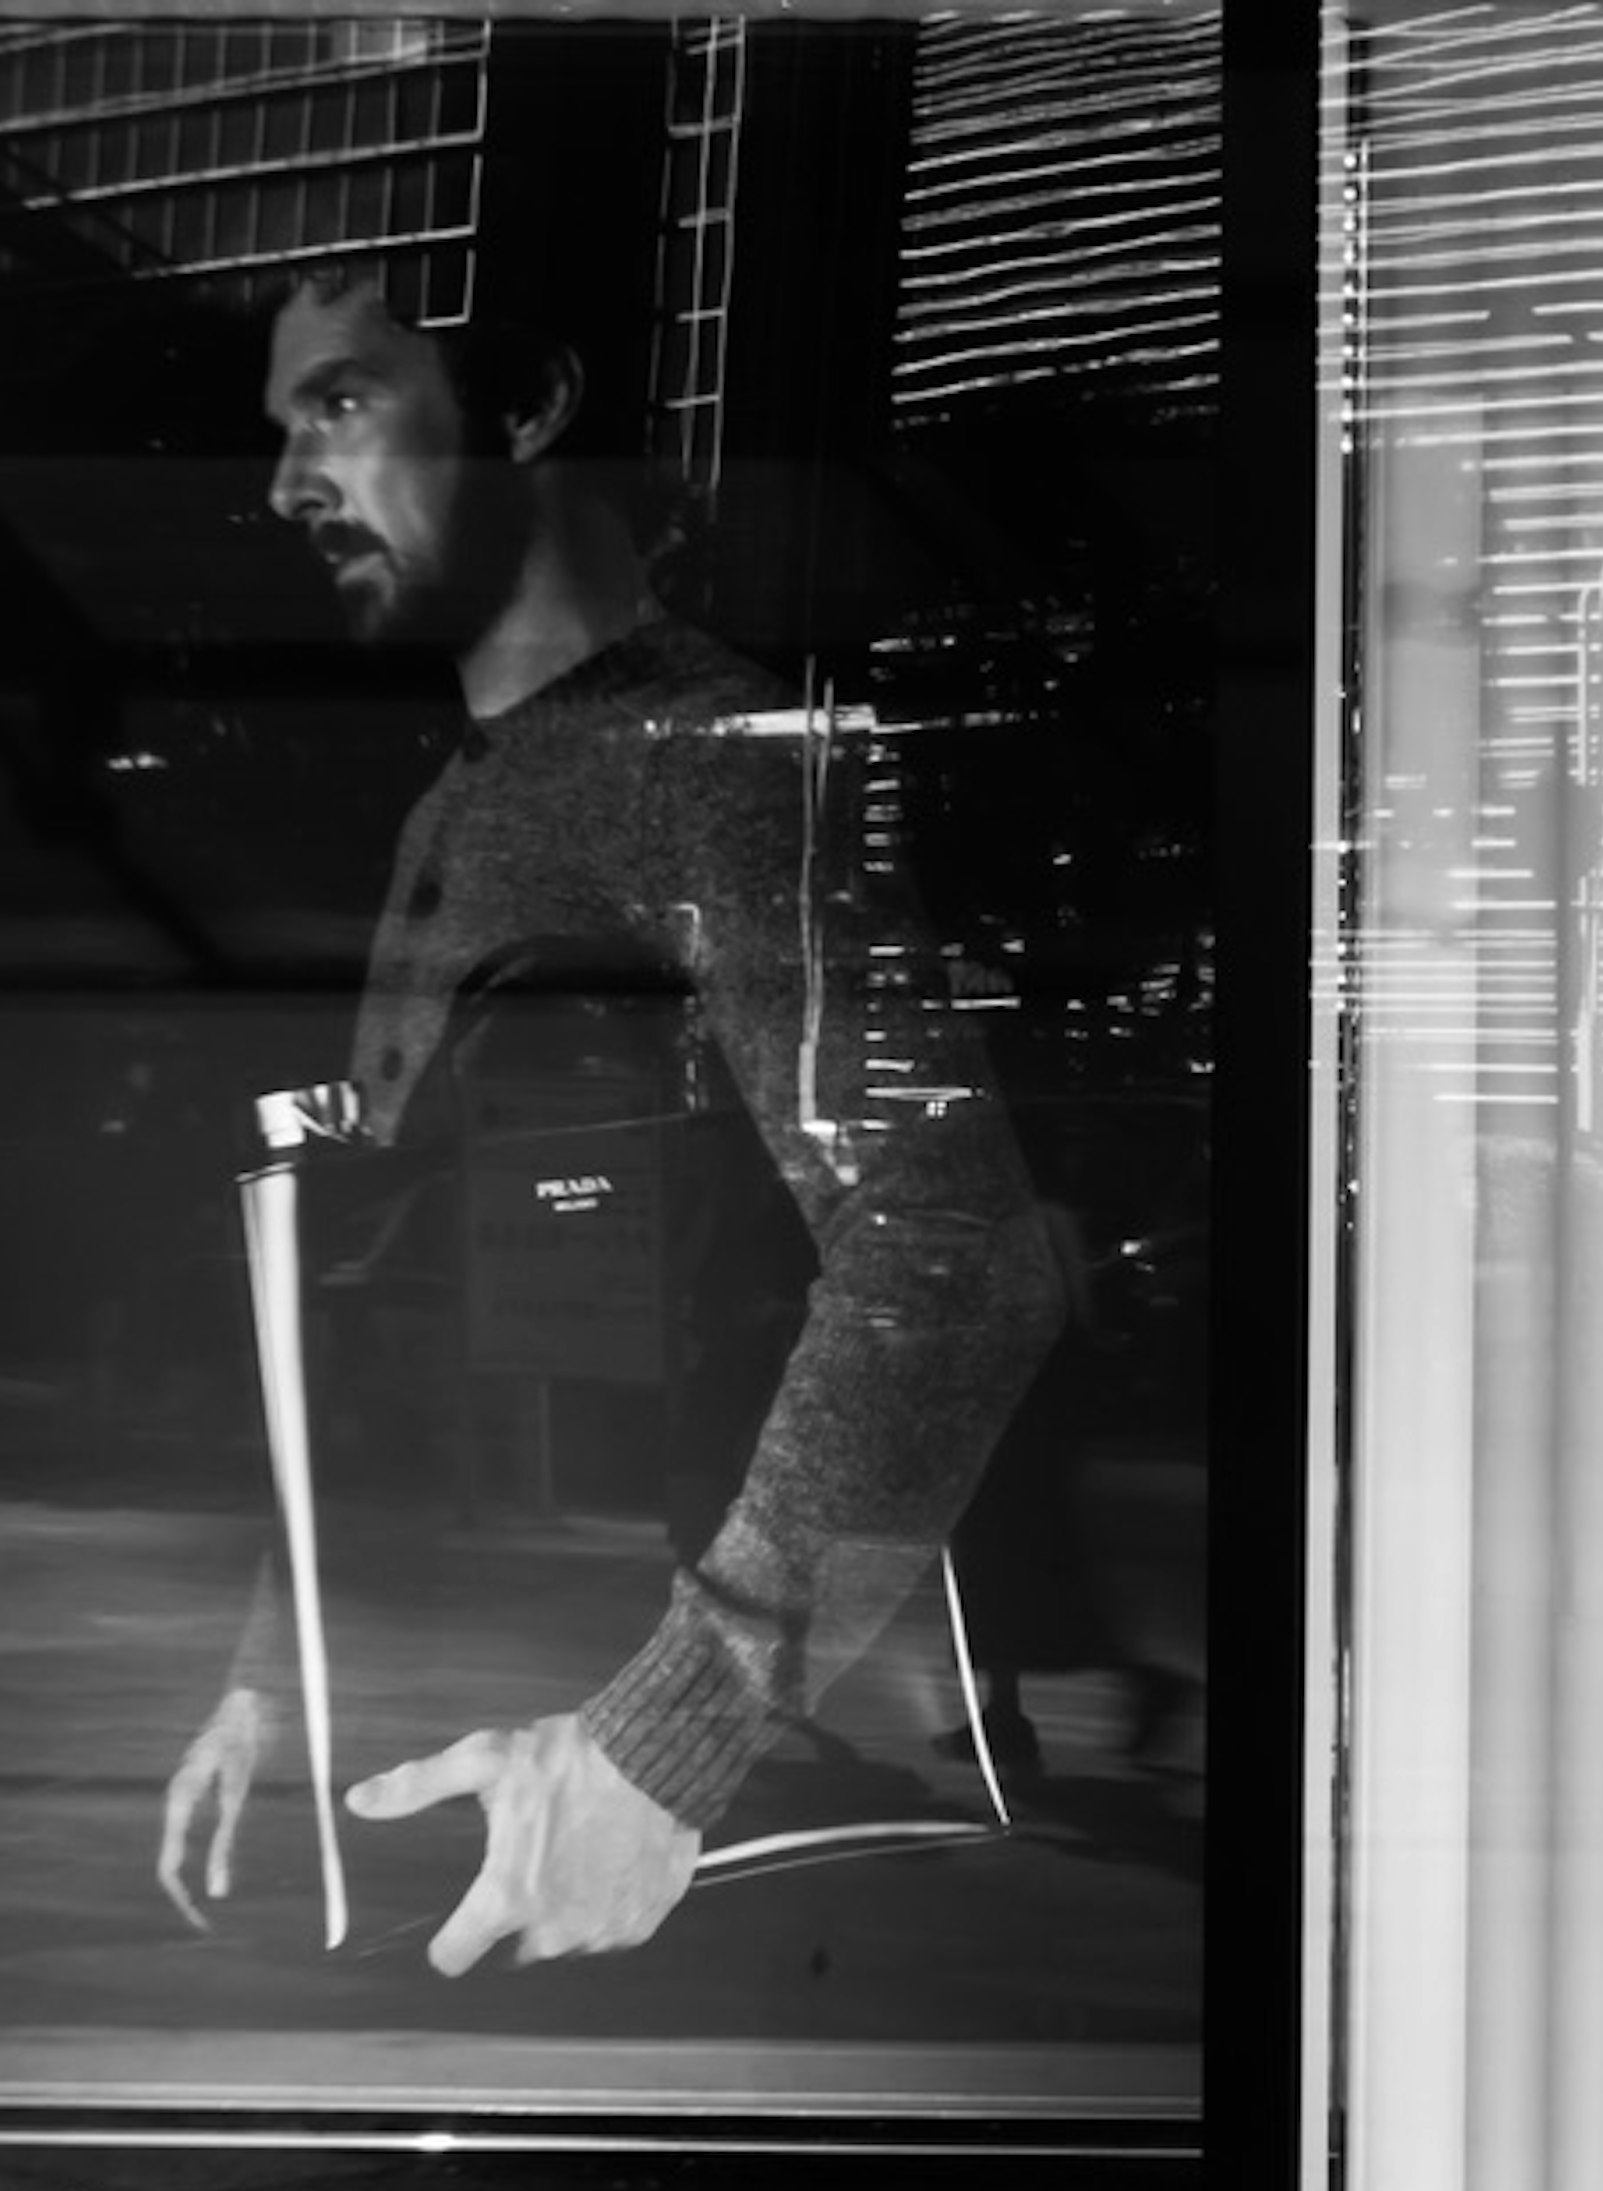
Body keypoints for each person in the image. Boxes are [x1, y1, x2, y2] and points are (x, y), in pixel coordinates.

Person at [153, 257, 1064, 1972]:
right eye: (281, 431)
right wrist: (267, 1684)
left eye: (342, 402)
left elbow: (953, 1257)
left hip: (676, 1840)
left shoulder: (717, 764)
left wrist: (664, 1743)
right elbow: (371, 1270)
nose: (288, 485)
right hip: (468, 1801)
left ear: (529, 402)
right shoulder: (458, 815)